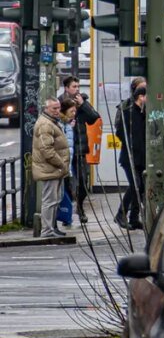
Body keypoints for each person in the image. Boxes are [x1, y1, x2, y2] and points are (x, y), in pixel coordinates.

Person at [61, 76, 100, 223]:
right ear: (66, 88)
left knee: (83, 181)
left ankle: (80, 206)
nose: (77, 89)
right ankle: (66, 213)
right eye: (74, 87)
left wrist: (83, 104)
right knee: (67, 183)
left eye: (78, 86)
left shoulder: (81, 102)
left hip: (80, 148)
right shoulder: (60, 103)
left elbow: (94, 117)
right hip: (65, 150)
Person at [32, 97, 70, 238]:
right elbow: (46, 149)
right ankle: (47, 230)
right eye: (53, 108)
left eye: (58, 108)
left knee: (55, 200)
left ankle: (51, 228)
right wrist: (61, 163)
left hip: (55, 169)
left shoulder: (51, 122)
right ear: (46, 108)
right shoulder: (45, 124)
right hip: (50, 168)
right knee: (49, 201)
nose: (57, 111)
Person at [115, 78, 147, 230]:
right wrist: (133, 145)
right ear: (140, 97)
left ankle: (134, 217)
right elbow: (120, 132)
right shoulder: (128, 112)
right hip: (130, 156)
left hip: (141, 157)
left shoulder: (144, 113)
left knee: (140, 187)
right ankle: (121, 213)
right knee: (135, 184)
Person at [58, 97, 78, 229]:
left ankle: (67, 216)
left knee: (67, 191)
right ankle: (65, 217)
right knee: (63, 191)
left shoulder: (70, 123)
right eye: (72, 111)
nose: (74, 113)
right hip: (63, 164)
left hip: (68, 163)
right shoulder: (63, 124)